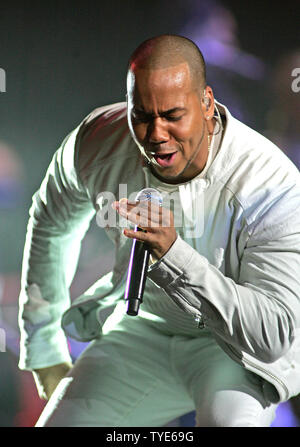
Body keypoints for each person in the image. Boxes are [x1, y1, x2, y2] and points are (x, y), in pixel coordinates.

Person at [18, 34, 300, 427]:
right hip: (140, 329)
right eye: (142, 116)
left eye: (172, 115)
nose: (155, 134)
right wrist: (43, 341)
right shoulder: (98, 139)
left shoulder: (270, 182)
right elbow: (50, 220)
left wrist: (174, 255)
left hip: (230, 350)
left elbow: (273, 334)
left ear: (206, 103)